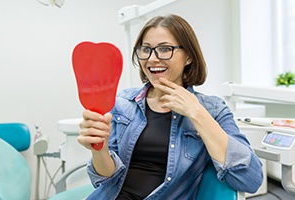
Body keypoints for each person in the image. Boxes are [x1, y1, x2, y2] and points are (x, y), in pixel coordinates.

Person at [77, 14, 263, 200]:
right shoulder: (124, 103)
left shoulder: (213, 109)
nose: (152, 59)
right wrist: (99, 149)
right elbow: (106, 179)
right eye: (146, 49)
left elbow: (251, 180)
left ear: (189, 57)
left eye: (165, 49)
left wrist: (196, 112)